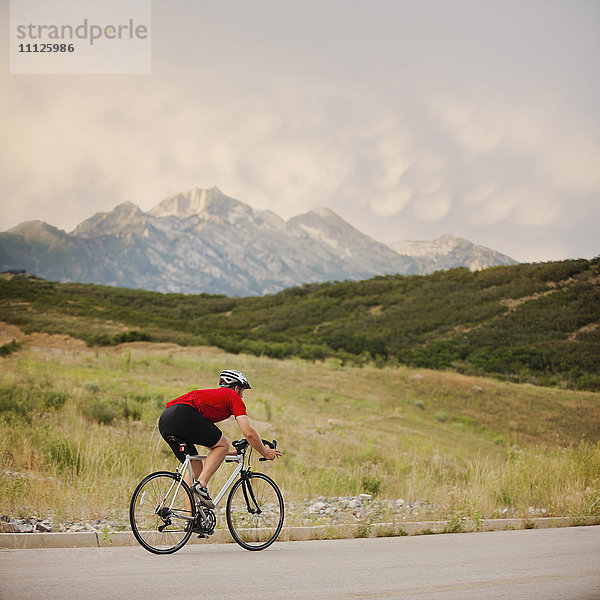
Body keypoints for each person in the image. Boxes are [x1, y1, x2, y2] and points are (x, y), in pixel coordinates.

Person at [158, 369, 281, 508]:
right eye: (242, 391)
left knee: (195, 465)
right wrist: (265, 452)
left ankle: (192, 518)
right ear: (236, 388)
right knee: (223, 444)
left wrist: (226, 454)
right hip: (184, 414)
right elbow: (249, 433)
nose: (242, 396)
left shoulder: (213, 398)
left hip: (165, 419)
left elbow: (204, 436)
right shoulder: (232, 396)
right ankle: (202, 485)